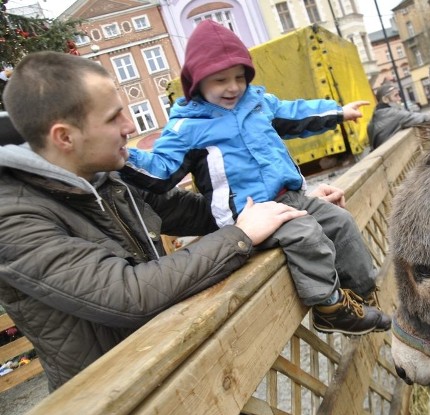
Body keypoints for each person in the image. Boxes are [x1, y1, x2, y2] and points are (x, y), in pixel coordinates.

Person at [0, 51, 344, 415]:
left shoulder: (104, 177)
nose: (130, 126)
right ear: (64, 136)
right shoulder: (12, 216)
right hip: (121, 406)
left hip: (176, 373)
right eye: (113, 117)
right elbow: (128, 293)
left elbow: (200, 211)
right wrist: (241, 235)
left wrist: (290, 205)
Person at [120, 20, 390, 336]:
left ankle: (361, 293)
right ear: (196, 83)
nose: (233, 87)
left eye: (239, 77)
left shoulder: (257, 102)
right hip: (249, 212)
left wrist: (337, 112)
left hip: (290, 196)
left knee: (341, 222)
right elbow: (161, 168)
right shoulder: (188, 126)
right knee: (305, 234)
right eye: (220, 80)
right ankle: (329, 308)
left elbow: (296, 114)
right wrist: (123, 157)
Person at [366, 84, 430, 150]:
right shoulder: (394, 114)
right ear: (385, 99)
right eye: (396, 95)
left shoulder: (375, 117)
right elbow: (423, 117)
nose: (399, 98)